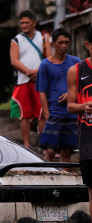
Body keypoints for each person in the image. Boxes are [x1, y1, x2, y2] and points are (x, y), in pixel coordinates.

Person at [36, 28, 80, 163]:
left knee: (67, 151)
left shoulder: (75, 62)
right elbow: (41, 91)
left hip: (71, 113)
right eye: (60, 42)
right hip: (54, 112)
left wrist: (70, 94)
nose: (64, 46)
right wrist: (47, 114)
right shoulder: (45, 65)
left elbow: (83, 84)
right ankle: (47, 178)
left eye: (67, 42)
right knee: (49, 150)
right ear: (53, 44)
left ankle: (66, 179)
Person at [10, 10, 51, 148]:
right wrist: (29, 72)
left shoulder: (44, 37)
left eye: (27, 22)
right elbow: (14, 61)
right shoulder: (16, 40)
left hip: (40, 81)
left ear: (34, 23)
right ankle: (26, 145)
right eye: (22, 23)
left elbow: (49, 59)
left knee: (42, 113)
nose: (24, 25)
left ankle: (43, 144)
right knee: (24, 115)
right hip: (23, 81)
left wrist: (38, 72)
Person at [67, 26, 92, 218]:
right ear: (87, 45)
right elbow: (70, 106)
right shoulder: (76, 70)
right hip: (88, 138)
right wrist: (85, 107)